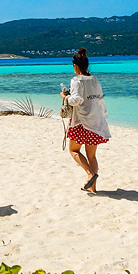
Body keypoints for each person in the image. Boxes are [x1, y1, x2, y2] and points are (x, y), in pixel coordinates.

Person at [60, 48, 109, 193]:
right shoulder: (94, 80)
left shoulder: (76, 80)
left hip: (81, 122)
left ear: (75, 66)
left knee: (74, 150)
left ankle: (90, 174)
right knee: (92, 155)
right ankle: (92, 188)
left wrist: (64, 97)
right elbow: (99, 97)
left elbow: (77, 100)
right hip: (95, 121)